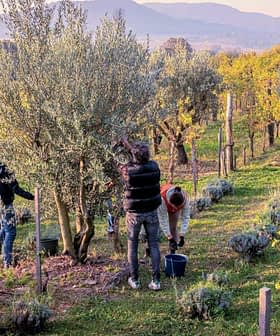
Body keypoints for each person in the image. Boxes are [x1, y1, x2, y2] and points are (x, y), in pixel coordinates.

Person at [118, 138, 162, 290]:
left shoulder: (127, 170)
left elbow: (118, 166)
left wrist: (121, 145)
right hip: (151, 212)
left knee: (133, 245)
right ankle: (156, 281)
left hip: (134, 214)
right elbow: (141, 159)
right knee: (154, 245)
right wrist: (129, 145)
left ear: (134, 156)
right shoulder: (155, 167)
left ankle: (134, 279)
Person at [0, 163, 34, 268]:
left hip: (1, 205)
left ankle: (6, 260)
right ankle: (8, 263)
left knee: (4, 231)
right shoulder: (5, 170)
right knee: (10, 233)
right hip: (5, 204)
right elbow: (16, 189)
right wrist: (32, 197)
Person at [157, 183, 190, 254]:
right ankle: (150, 249)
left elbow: (185, 217)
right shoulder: (162, 198)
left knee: (173, 227)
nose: (176, 209)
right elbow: (163, 220)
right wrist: (169, 237)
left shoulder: (185, 198)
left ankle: (173, 251)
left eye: (178, 207)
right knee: (155, 228)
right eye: (174, 207)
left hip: (172, 202)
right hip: (160, 203)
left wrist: (182, 235)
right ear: (170, 203)